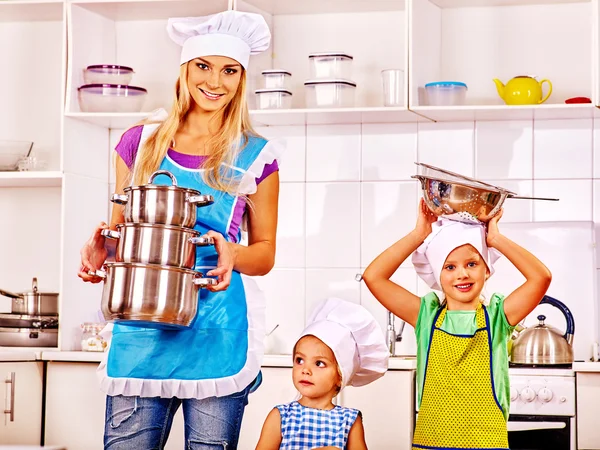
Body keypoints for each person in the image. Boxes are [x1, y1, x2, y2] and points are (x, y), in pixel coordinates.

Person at [77, 10, 283, 449]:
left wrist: (232, 251)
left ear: (242, 79)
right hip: (142, 326)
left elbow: (264, 253)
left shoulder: (256, 155)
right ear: (185, 70)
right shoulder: (140, 142)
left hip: (216, 325)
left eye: (230, 71)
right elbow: (122, 233)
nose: (216, 81)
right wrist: (101, 250)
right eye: (204, 67)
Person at [362, 200, 552, 449]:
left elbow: (542, 277)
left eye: (472, 264)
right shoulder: (426, 317)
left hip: (487, 442)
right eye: (449, 267)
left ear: (486, 269)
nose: (462, 274)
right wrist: (419, 234)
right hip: (433, 441)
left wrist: (495, 238)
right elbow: (373, 276)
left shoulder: (498, 316)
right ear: (436, 275)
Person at [255, 297, 389, 450]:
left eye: (319, 363)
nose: (305, 369)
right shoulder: (281, 416)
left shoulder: (349, 420)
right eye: (299, 360)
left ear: (340, 376)